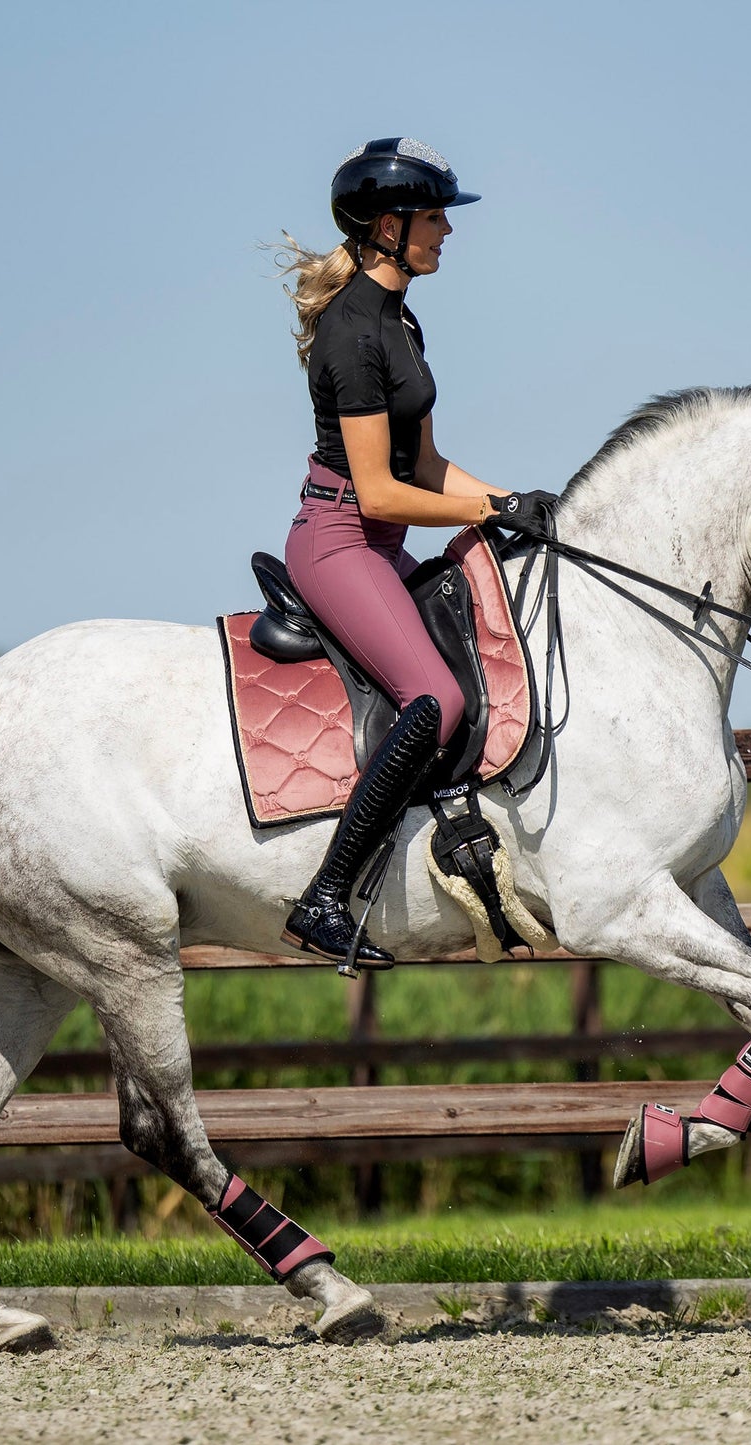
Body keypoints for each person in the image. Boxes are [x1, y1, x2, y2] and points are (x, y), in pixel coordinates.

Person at [276, 137, 552, 968]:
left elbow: (425, 465)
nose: (445, 231)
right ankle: (324, 895)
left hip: (380, 537)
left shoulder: (399, 317)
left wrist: (517, 503)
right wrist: (488, 506)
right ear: (388, 226)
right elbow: (379, 491)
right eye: (433, 216)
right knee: (435, 696)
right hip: (338, 540)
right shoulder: (352, 333)